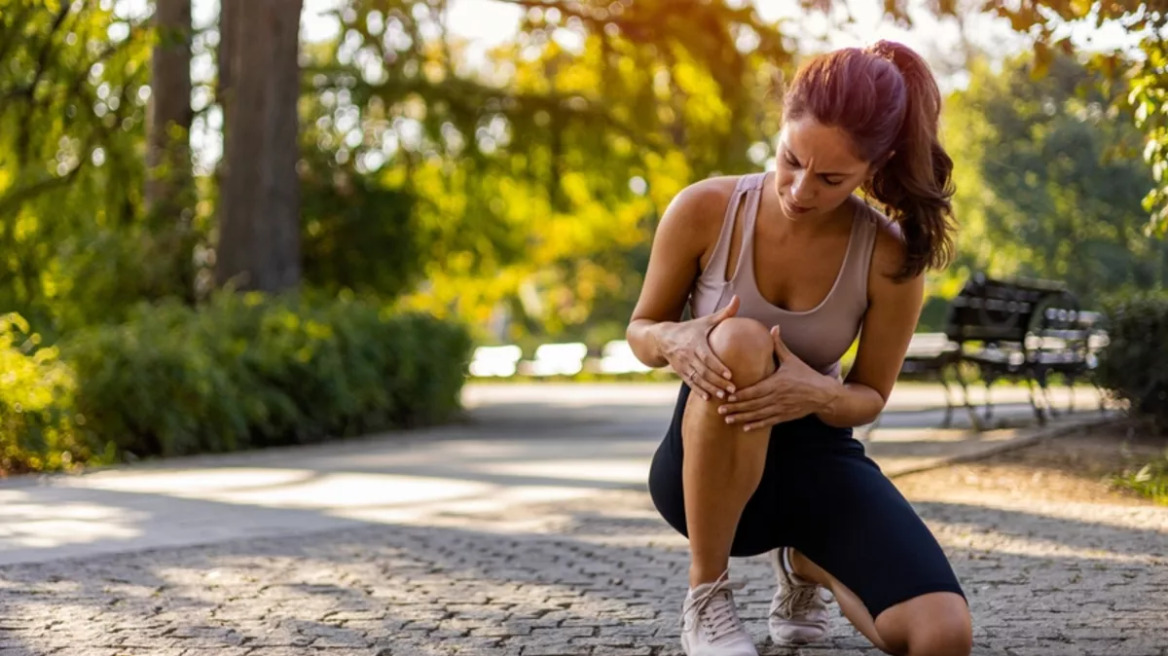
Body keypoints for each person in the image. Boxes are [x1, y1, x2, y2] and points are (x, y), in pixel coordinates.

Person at [625, 41, 972, 656]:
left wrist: (819, 391)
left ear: (876, 165)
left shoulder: (890, 256)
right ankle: (706, 598)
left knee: (941, 637)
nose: (800, 188)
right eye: (791, 159)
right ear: (781, 126)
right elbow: (641, 330)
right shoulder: (706, 208)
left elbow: (870, 397)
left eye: (832, 178)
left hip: (817, 463)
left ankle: (806, 562)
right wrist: (672, 336)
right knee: (737, 338)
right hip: (702, 474)